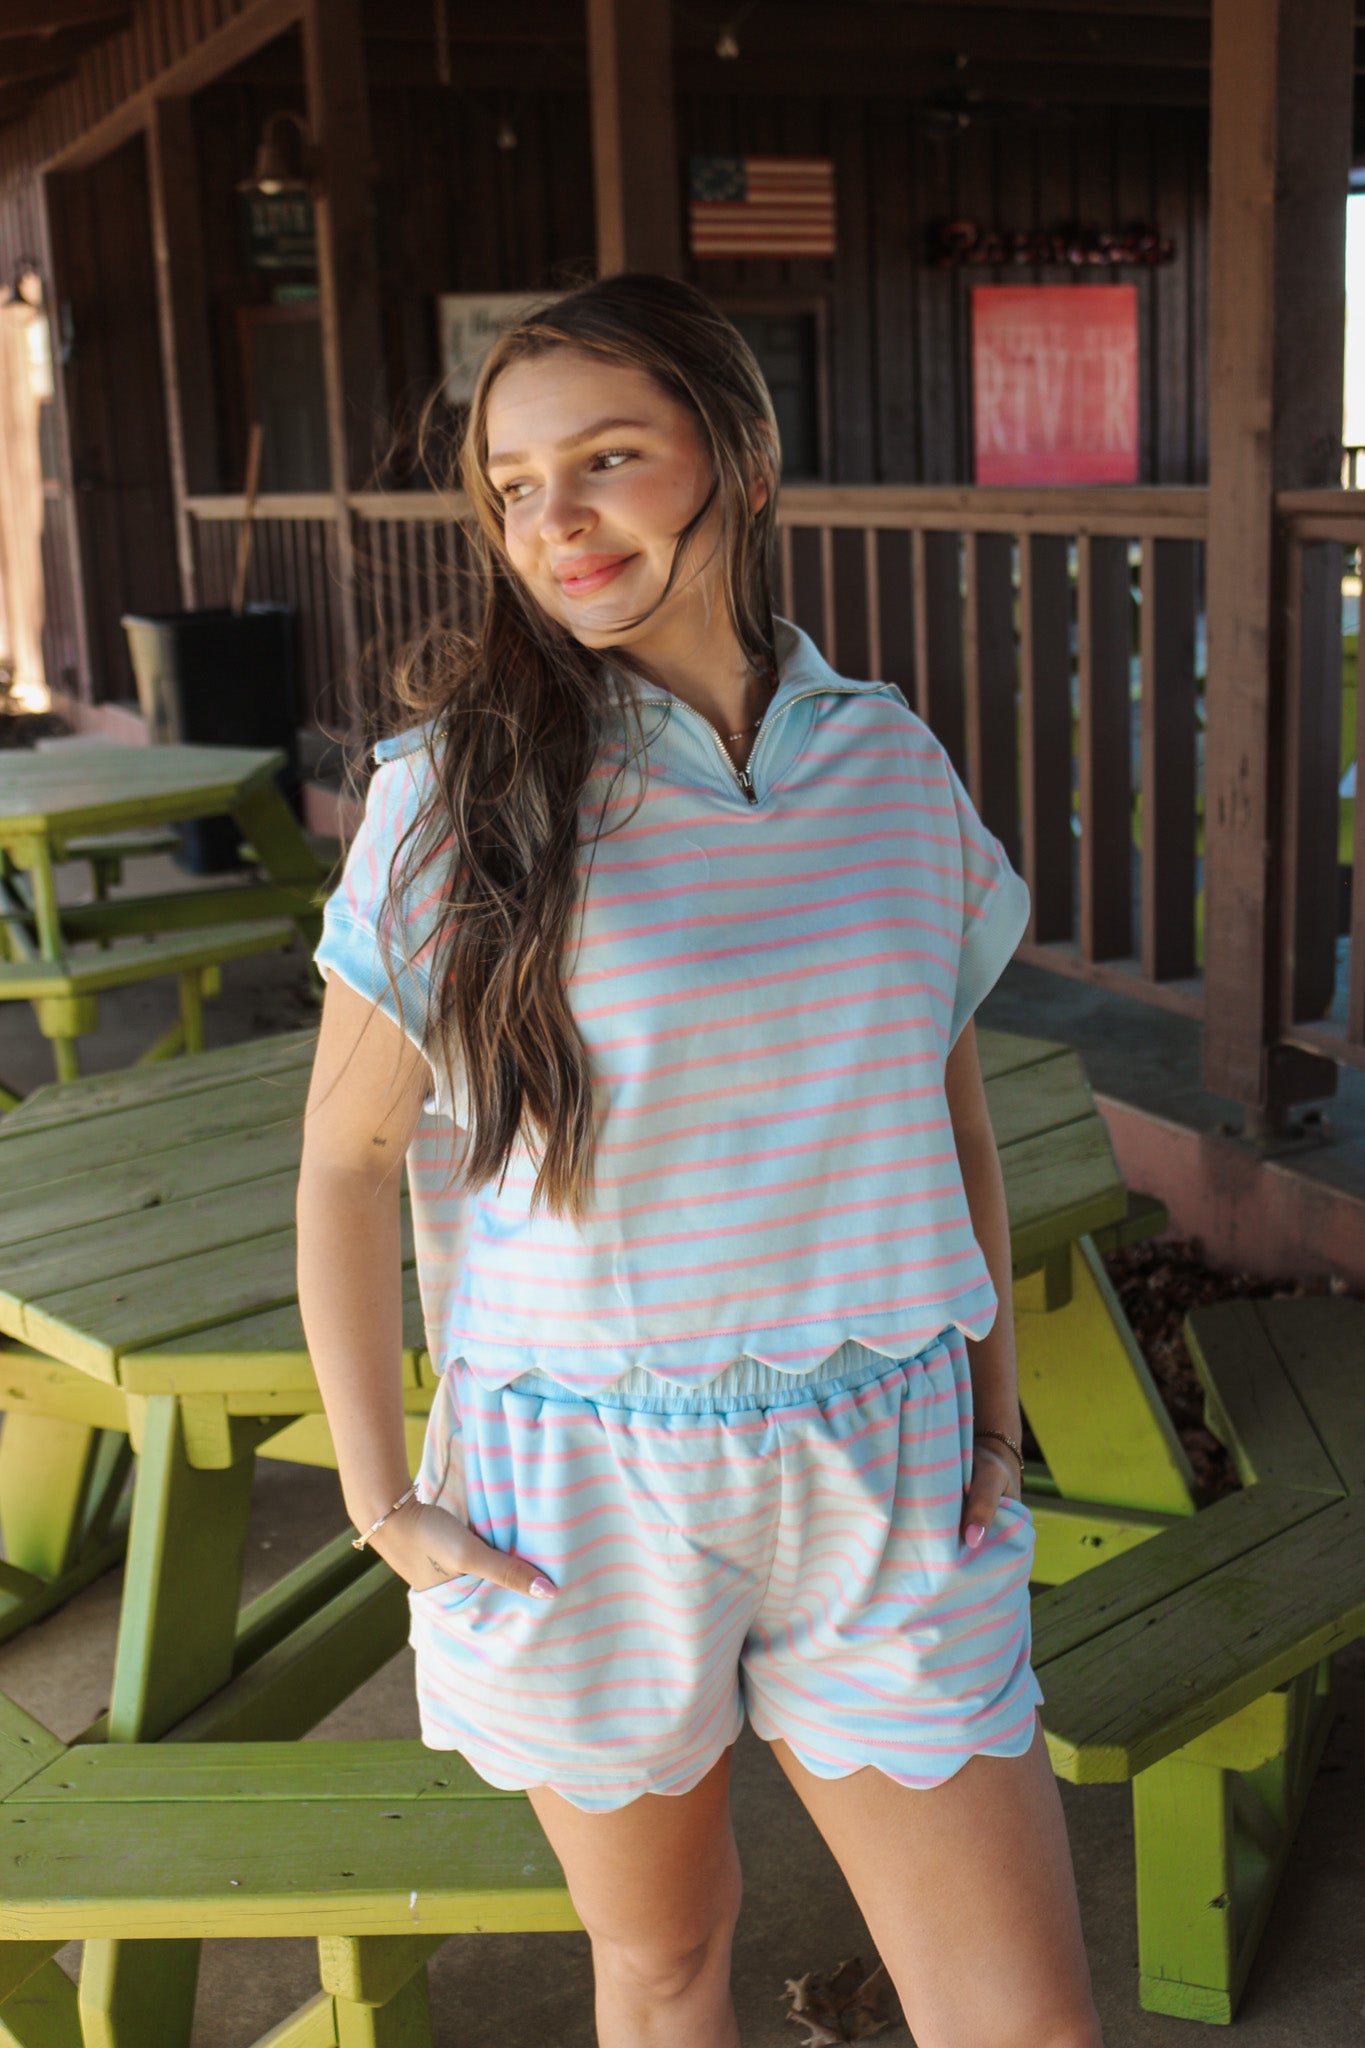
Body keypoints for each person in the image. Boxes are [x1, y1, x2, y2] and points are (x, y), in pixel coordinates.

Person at [296, 271, 1103, 2048]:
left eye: (607, 458)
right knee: (666, 1967)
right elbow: (348, 1166)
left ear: (734, 457)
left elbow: (939, 1096)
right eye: (511, 485)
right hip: (575, 1488)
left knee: (1024, 2020)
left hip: (888, 1459)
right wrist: (381, 1505)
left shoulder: (884, 758)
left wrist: (985, 1405)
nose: (552, 521)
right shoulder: (456, 794)